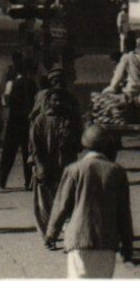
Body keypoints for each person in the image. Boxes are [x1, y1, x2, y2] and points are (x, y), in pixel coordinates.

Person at [45, 126, 134, 279]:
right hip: (106, 241)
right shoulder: (117, 171)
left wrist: (51, 234)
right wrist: (127, 244)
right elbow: (124, 212)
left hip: (79, 240)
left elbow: (61, 205)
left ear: (84, 146)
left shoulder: (74, 169)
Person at [29, 86, 84, 237]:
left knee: (67, 197)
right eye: (55, 100)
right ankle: (48, 233)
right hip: (46, 166)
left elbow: (78, 142)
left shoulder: (70, 119)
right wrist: (39, 166)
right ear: (49, 102)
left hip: (66, 165)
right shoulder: (40, 121)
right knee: (46, 201)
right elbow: (35, 146)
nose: (58, 103)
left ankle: (66, 228)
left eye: (61, 100)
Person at [0, 54, 36, 191]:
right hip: (27, 121)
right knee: (28, 153)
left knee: (9, 153)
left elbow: (6, 101)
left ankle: (2, 180)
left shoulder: (12, 83)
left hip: (14, 121)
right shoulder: (32, 84)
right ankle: (28, 181)